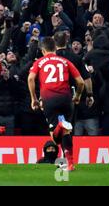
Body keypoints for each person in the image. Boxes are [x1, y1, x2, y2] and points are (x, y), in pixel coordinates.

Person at [28, 37, 85, 171]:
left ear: (43, 50)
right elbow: (81, 82)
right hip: (66, 99)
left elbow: (30, 78)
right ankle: (70, 164)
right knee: (67, 133)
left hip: (49, 99)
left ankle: (60, 126)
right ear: (55, 49)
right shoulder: (65, 61)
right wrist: (77, 96)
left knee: (55, 138)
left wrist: (34, 98)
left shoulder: (40, 62)